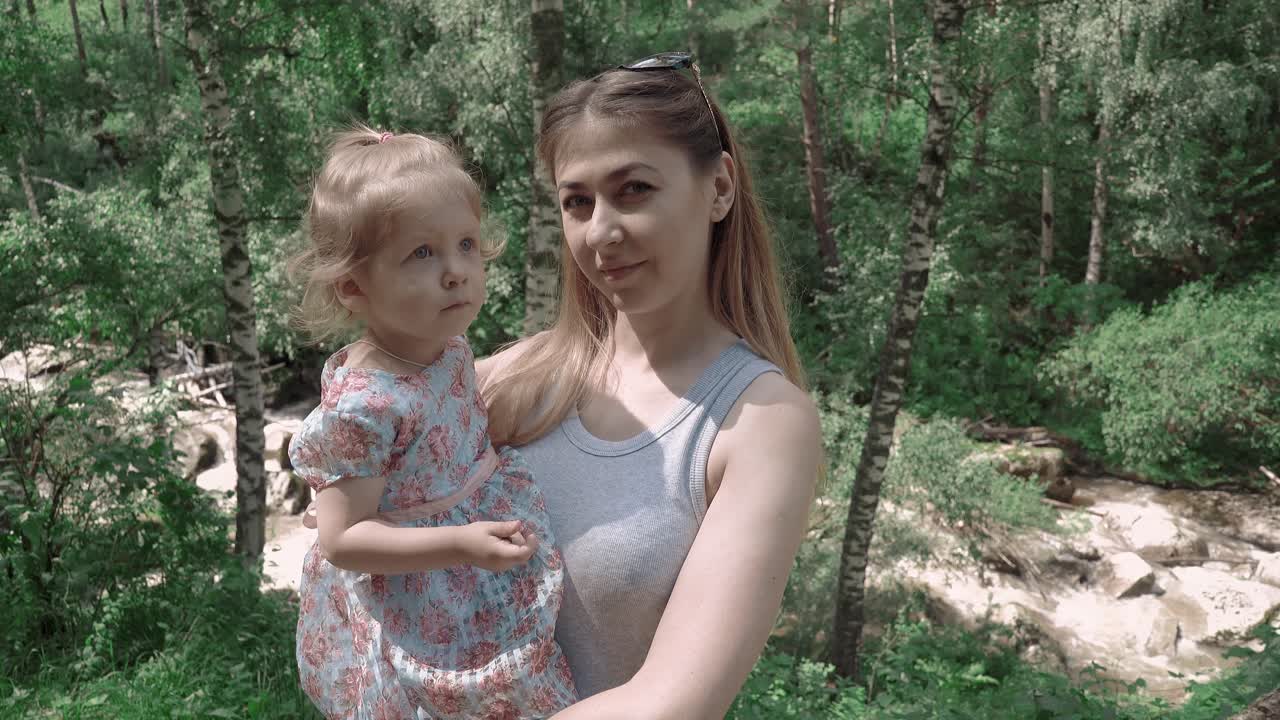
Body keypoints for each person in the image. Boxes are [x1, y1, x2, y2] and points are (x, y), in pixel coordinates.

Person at [478, 52, 822, 718]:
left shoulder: (762, 423)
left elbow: (669, 704)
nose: (601, 231)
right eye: (577, 202)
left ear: (719, 187)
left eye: (633, 189)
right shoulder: (513, 380)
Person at [287, 127, 577, 719]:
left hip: (473, 563)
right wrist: (459, 544)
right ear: (352, 287)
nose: (456, 272)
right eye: (423, 253)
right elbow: (343, 541)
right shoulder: (363, 407)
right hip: (426, 587)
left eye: (467, 245)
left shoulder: (443, 346)